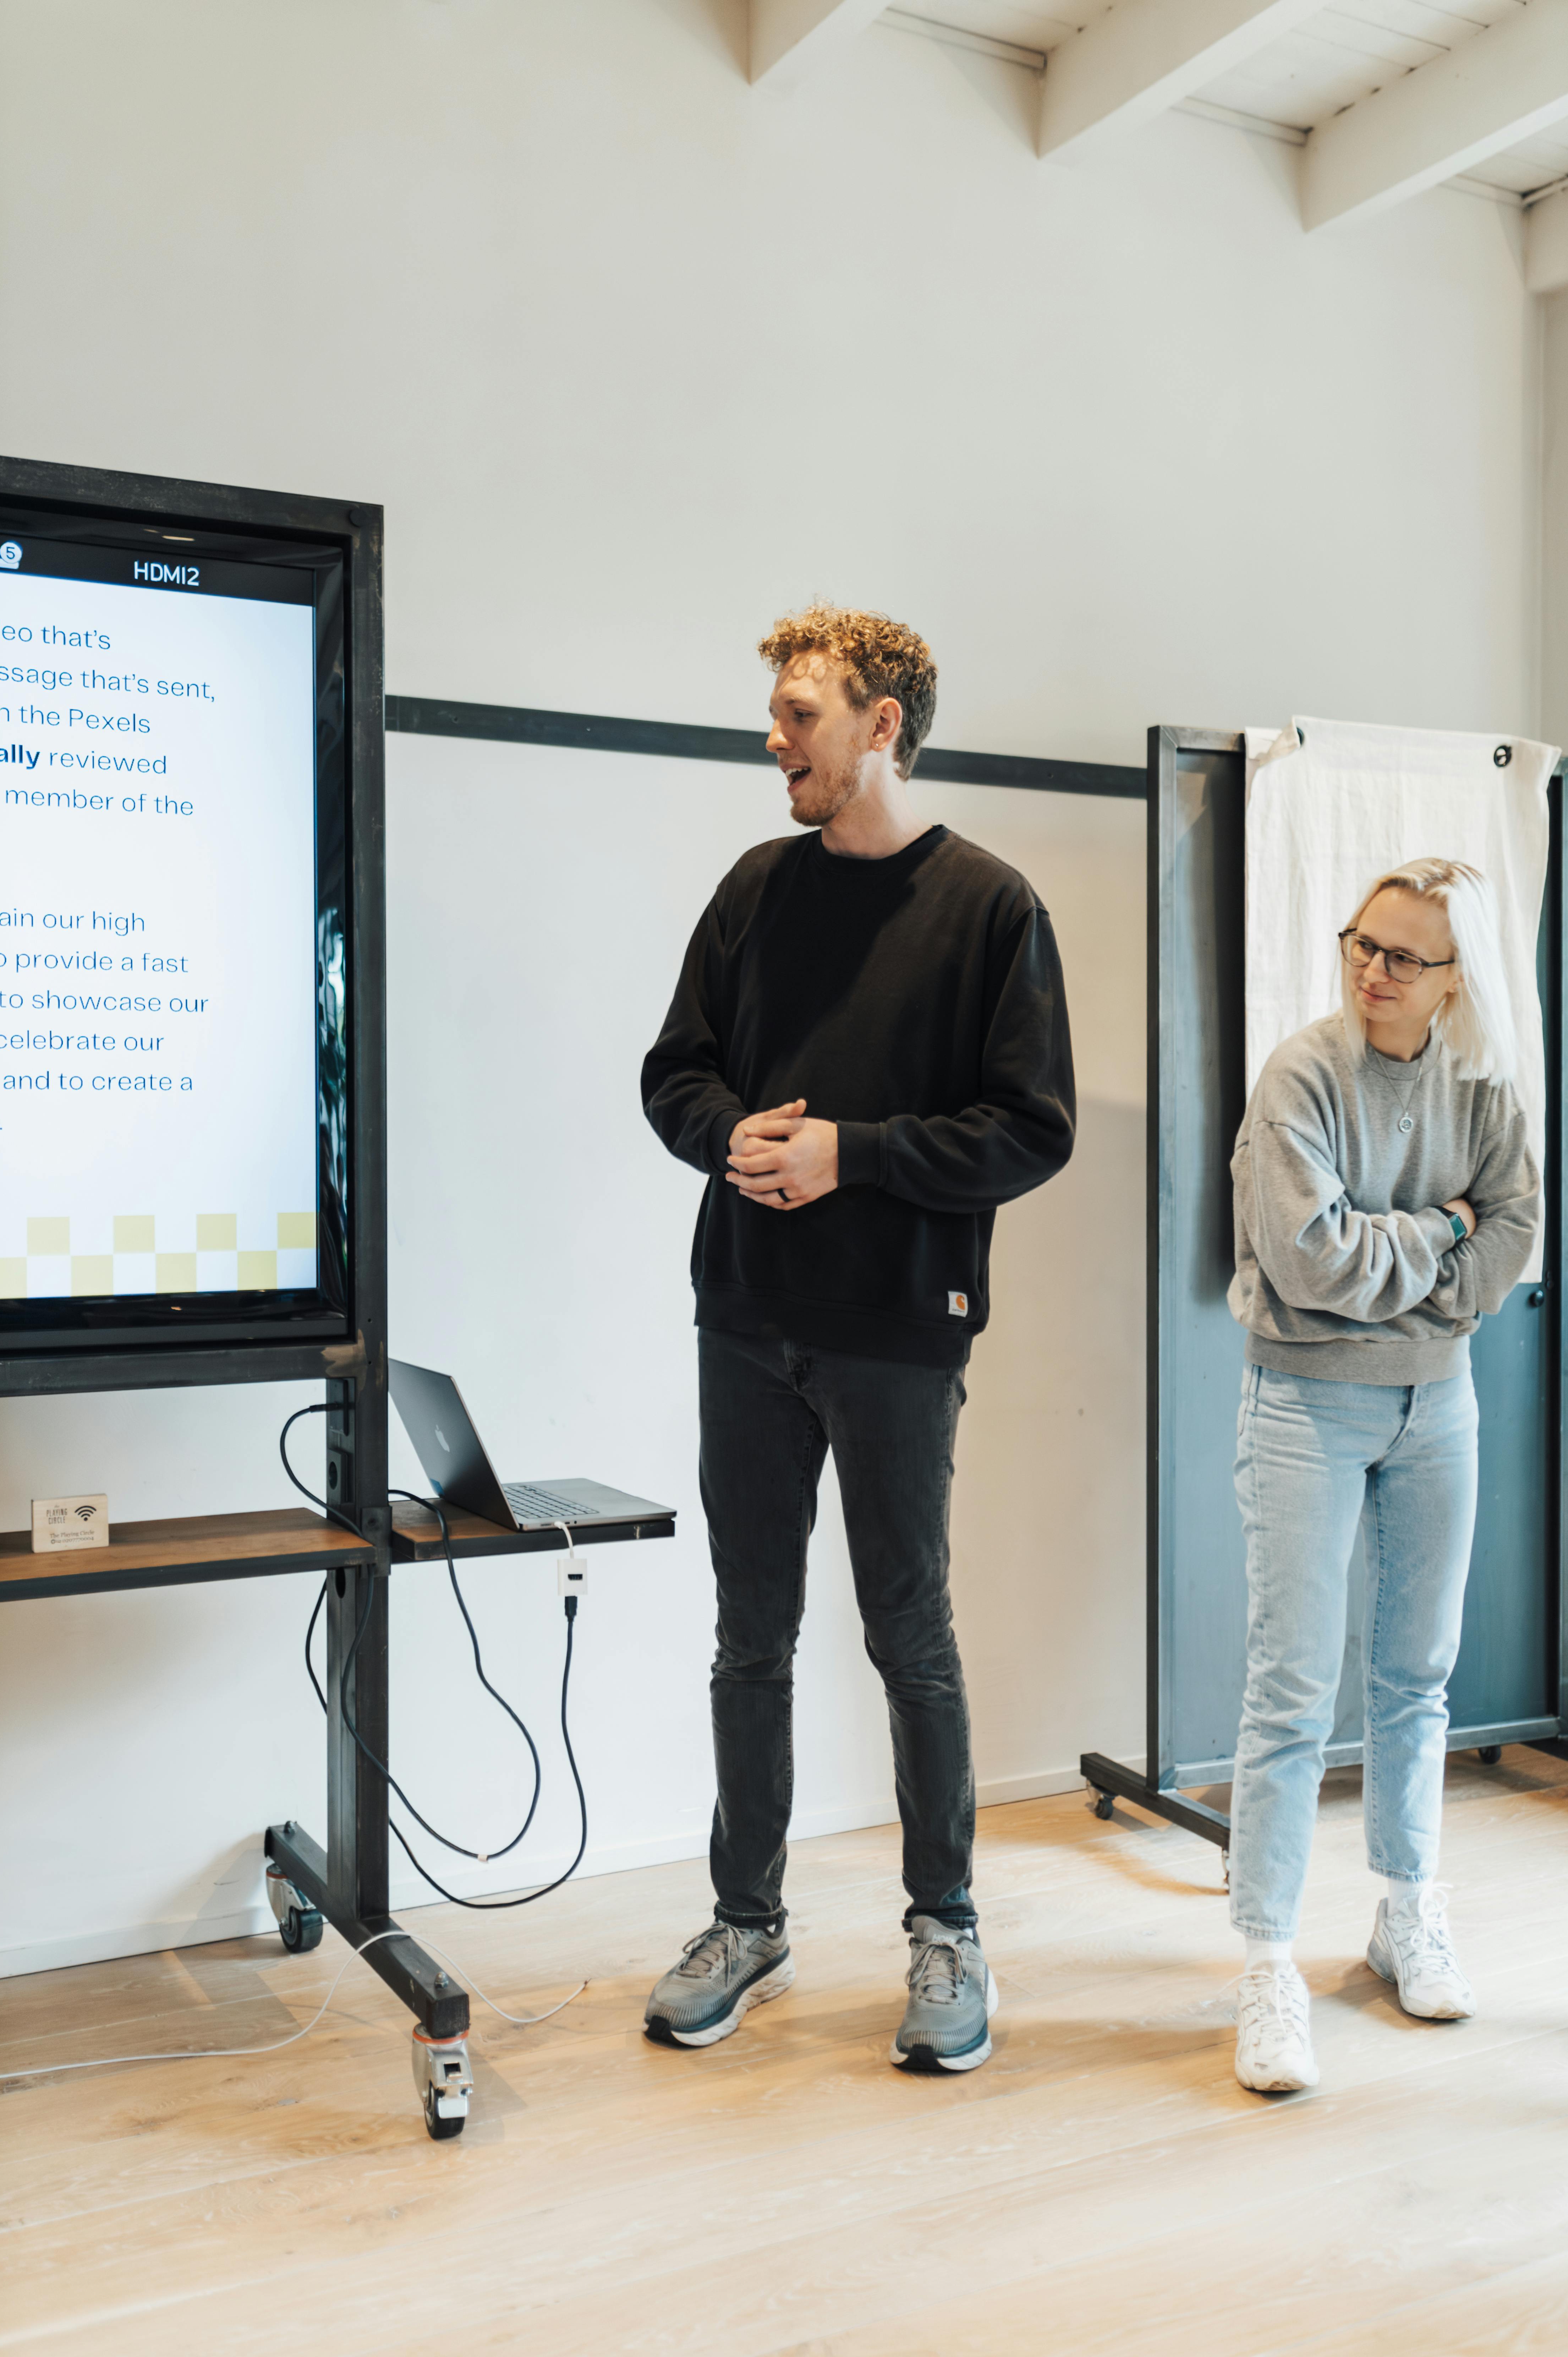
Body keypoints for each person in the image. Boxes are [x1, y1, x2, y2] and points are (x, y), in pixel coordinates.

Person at [638, 605, 1074, 2071]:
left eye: (801, 717)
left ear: (882, 725)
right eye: (777, 715)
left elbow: (1032, 1129)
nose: (776, 741)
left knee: (912, 1636)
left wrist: (855, 1153)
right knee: (748, 1636)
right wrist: (734, 1134)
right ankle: (744, 1920)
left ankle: (946, 1931)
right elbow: (674, 1071)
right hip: (747, 1320)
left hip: (898, 1332)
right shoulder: (756, 888)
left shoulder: (992, 909)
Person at [1224, 856, 1539, 2094]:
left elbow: (1516, 1230)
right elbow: (1308, 1264)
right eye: (1363, 943)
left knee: (1417, 1678)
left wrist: (1421, 1248)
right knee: (1289, 1693)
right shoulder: (1301, 1072)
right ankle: (1265, 1965)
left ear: (1455, 981)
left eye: (1404, 957)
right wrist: (1443, 1229)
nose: (1372, 971)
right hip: (1301, 1400)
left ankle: (1407, 1907)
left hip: (1439, 1405)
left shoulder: (1482, 1084)